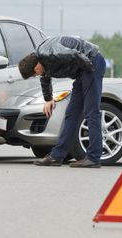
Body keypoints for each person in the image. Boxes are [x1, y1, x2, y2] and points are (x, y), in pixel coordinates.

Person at [19, 36, 106, 168]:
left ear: (36, 67)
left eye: (34, 74)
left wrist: (90, 71)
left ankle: (93, 158)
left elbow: (75, 54)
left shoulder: (51, 53)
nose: (37, 76)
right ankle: (56, 156)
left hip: (91, 63)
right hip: (83, 70)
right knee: (71, 113)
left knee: (91, 112)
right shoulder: (41, 59)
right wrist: (48, 99)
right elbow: (45, 78)